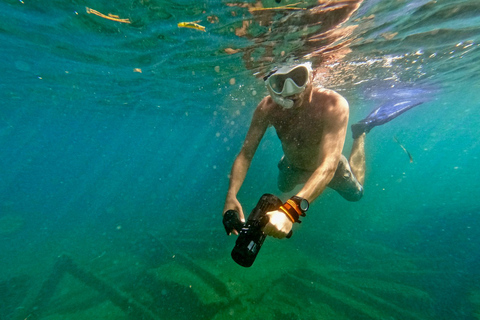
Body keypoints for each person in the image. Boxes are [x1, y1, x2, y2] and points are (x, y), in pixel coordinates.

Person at [222, 62, 421, 239]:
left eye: (298, 78)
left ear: (313, 75)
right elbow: (245, 154)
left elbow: (328, 165)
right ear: (271, 85)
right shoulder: (267, 108)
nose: (291, 90)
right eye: (280, 82)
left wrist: (291, 211)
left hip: (330, 168)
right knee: (283, 188)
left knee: (356, 194)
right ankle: (298, 176)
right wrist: (231, 195)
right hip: (292, 164)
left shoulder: (333, 104)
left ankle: (360, 132)